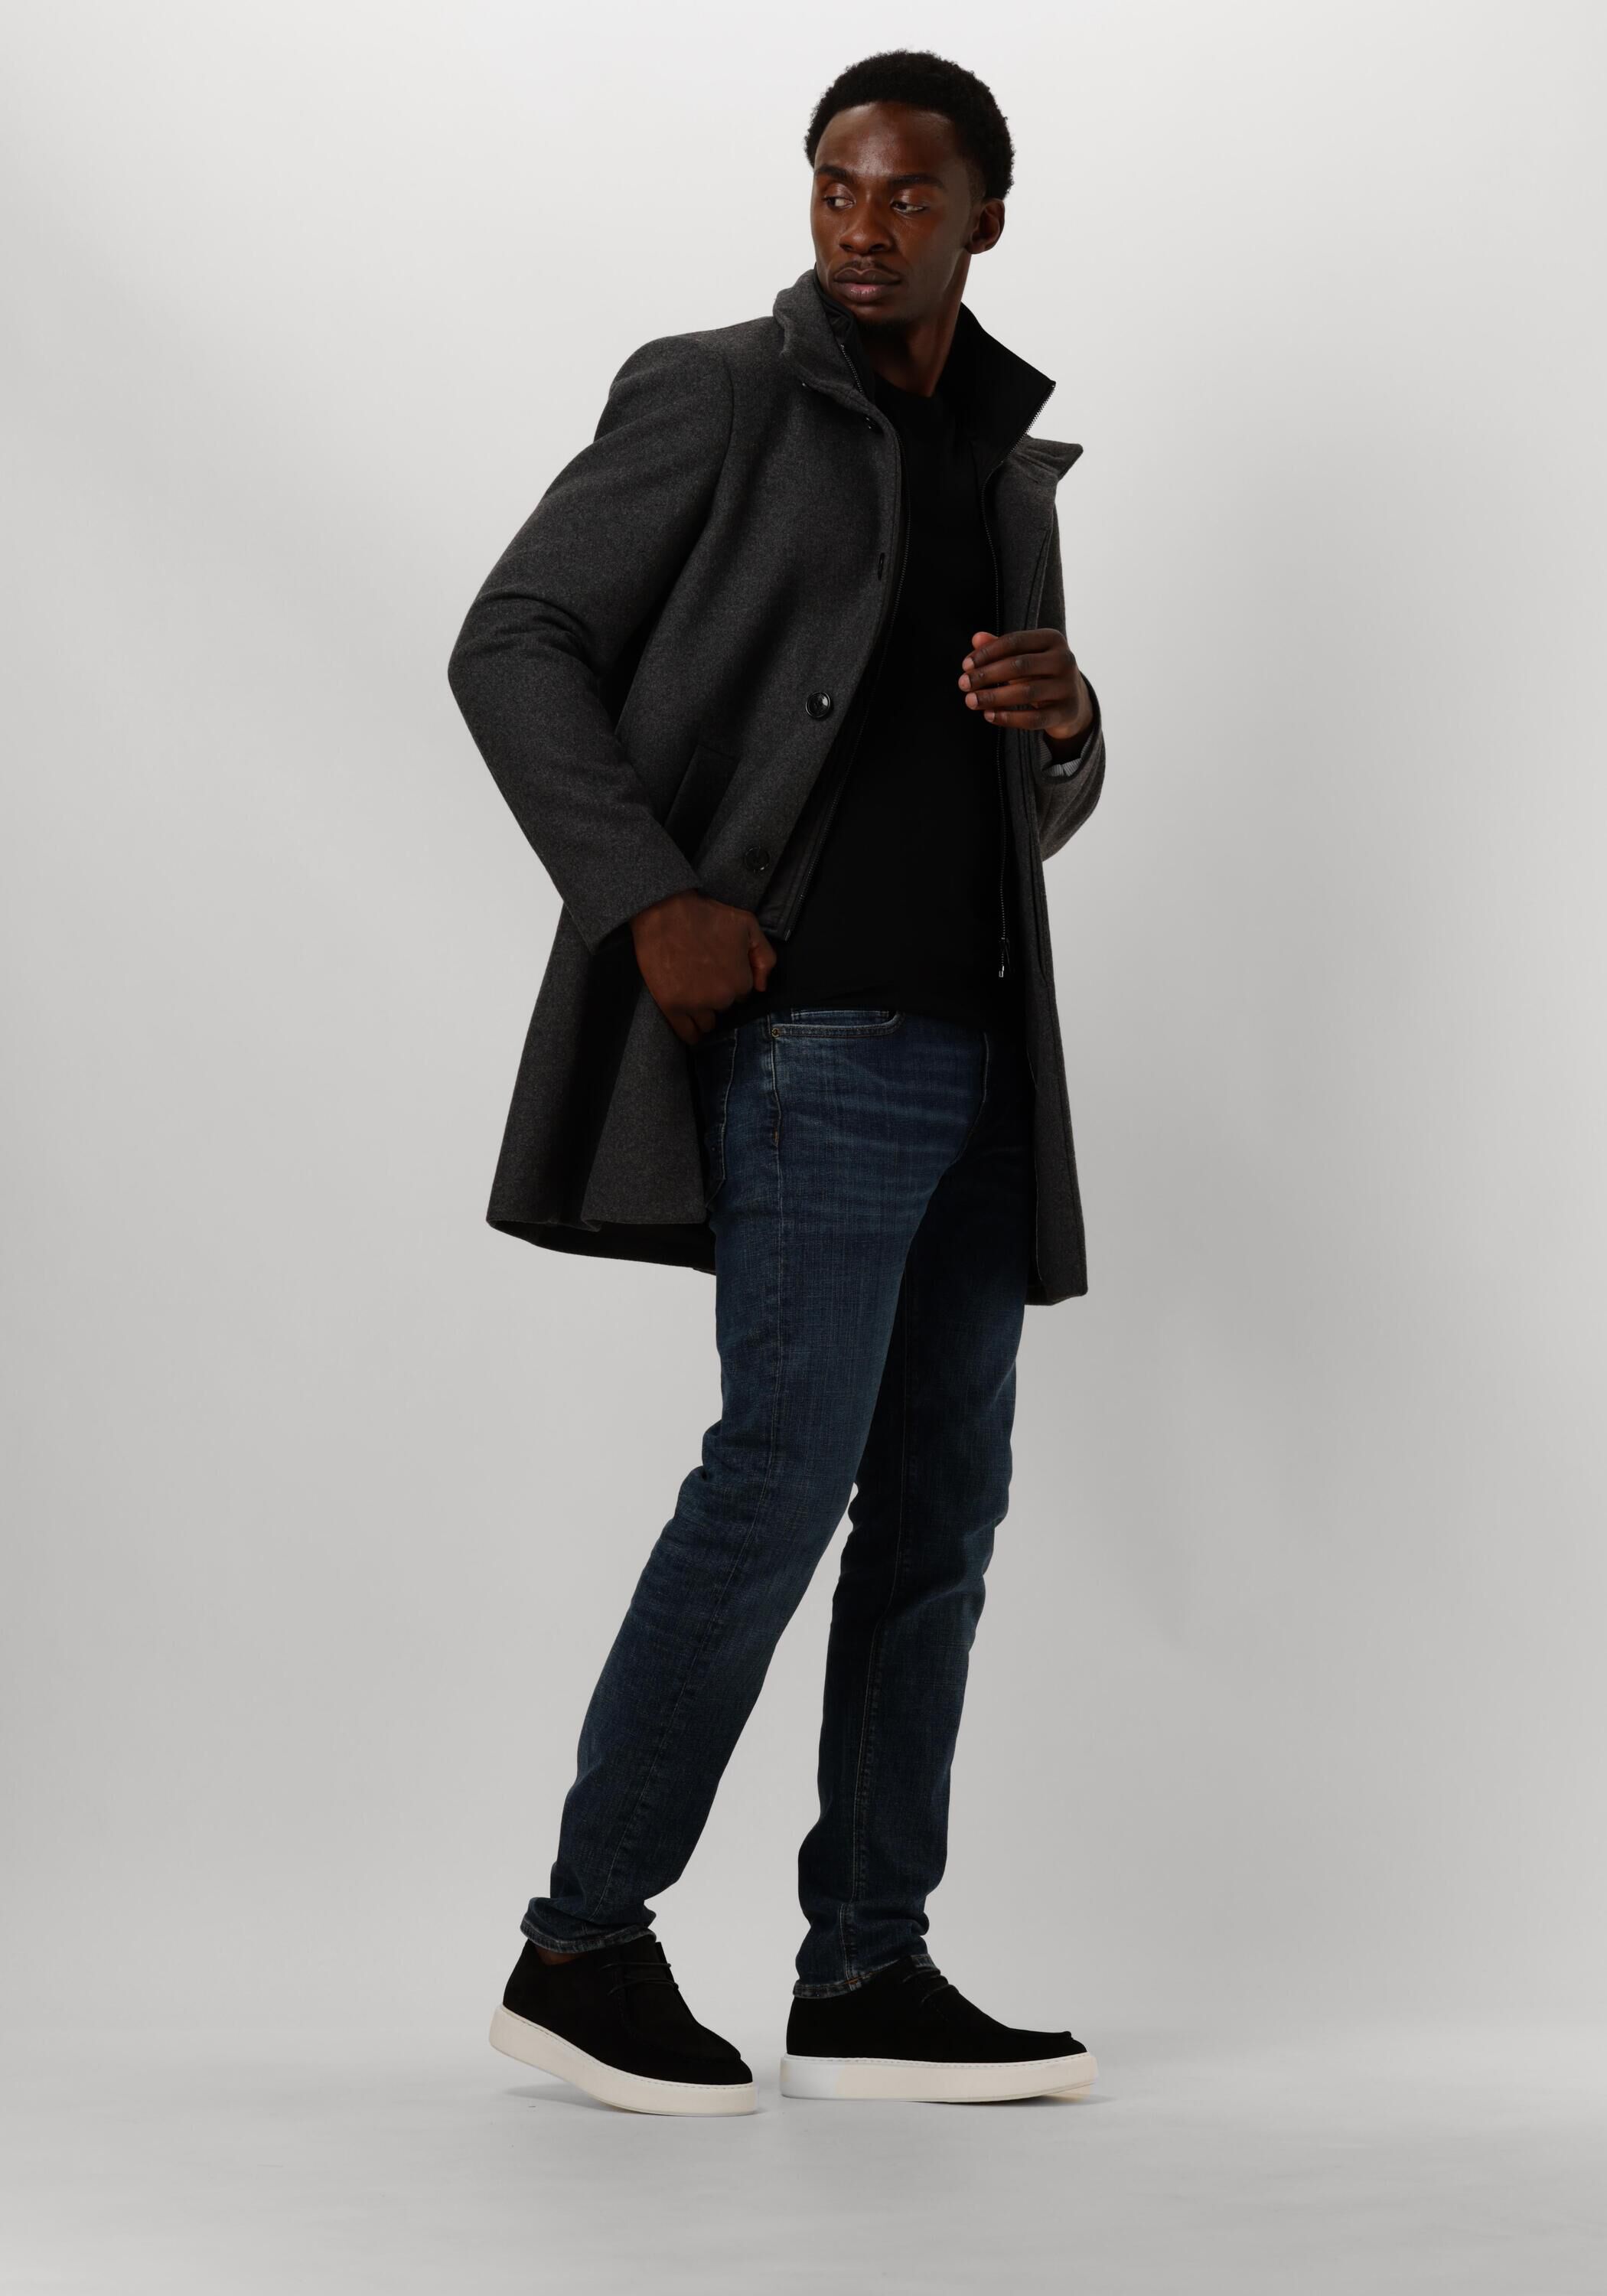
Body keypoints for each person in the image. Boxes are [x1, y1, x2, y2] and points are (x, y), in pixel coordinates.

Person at [448, 49, 1107, 2117]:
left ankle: (868, 1969)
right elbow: (513, 638)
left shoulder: (1002, 461)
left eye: (908, 193)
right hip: (811, 1048)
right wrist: (650, 897)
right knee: (778, 1482)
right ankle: (580, 1947)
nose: (863, 223)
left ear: (985, 217)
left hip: (979, 1046)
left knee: (939, 1511)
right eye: (837, 183)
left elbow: (1025, 806)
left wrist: (1068, 725)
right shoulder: (720, 395)